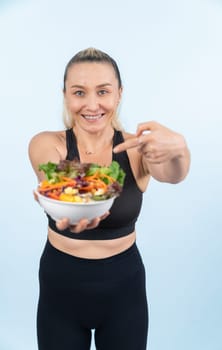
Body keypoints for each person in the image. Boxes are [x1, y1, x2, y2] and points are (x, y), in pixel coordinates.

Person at [28, 47, 190, 350]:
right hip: (60, 286)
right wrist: (64, 197)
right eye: (79, 92)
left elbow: (173, 174)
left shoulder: (136, 148)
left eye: (103, 91)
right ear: (65, 95)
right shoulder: (47, 143)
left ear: (118, 94)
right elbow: (50, 177)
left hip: (124, 288)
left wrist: (180, 151)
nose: (92, 104)